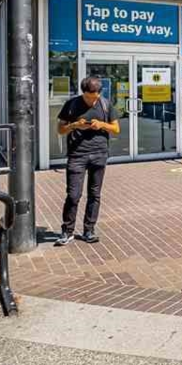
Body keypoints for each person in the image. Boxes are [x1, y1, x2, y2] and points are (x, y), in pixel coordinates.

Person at [56, 76, 120, 245]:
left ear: (100, 93)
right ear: (83, 92)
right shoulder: (71, 105)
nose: (92, 101)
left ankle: (89, 230)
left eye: (95, 97)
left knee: (94, 194)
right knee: (73, 195)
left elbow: (116, 129)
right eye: (88, 97)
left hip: (99, 154)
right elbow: (61, 130)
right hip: (77, 155)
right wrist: (74, 125)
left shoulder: (105, 104)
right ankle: (67, 231)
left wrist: (101, 125)